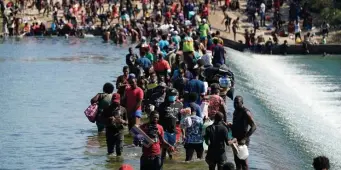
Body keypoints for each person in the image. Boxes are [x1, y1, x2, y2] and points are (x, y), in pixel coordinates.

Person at [229, 96, 257, 170]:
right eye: (234, 103)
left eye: (237, 103)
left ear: (242, 103)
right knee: (237, 160)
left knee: (244, 161)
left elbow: (254, 126)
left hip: (243, 140)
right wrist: (231, 126)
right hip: (235, 139)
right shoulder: (235, 111)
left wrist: (245, 138)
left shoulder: (246, 112)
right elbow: (238, 124)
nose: (235, 104)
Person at [158, 88, 183, 163]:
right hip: (164, 130)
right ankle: (162, 163)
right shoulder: (162, 105)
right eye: (171, 95)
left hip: (174, 131)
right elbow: (158, 118)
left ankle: (171, 163)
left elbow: (180, 118)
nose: (172, 96)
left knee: (172, 149)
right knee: (164, 147)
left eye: (174, 95)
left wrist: (181, 131)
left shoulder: (179, 105)